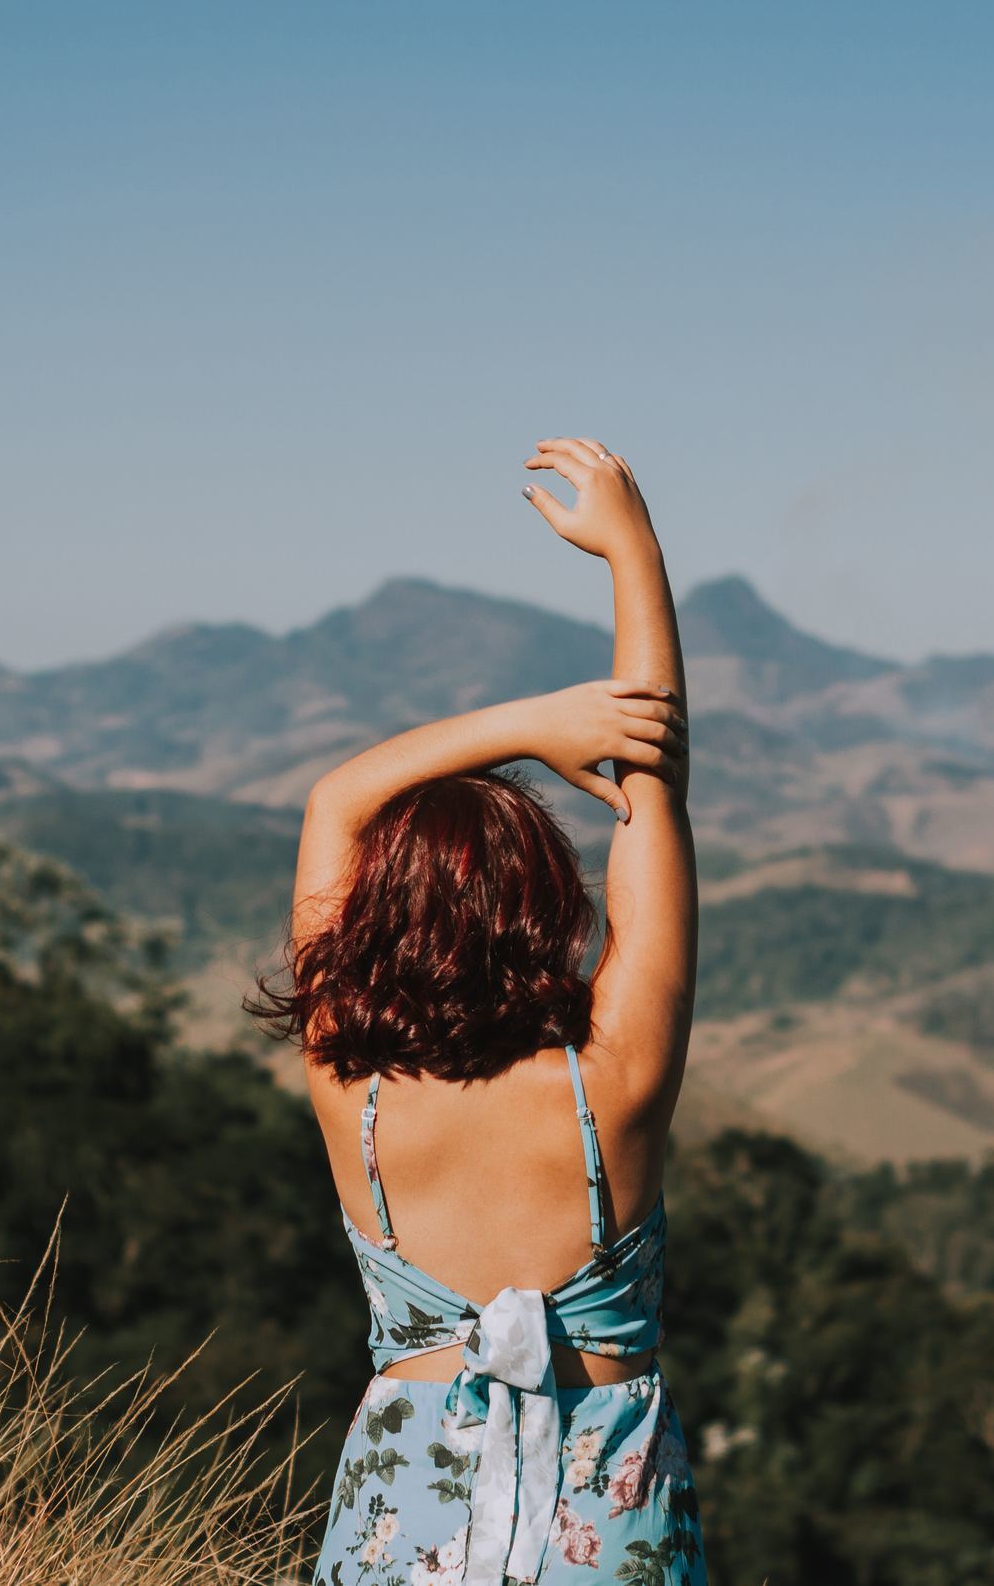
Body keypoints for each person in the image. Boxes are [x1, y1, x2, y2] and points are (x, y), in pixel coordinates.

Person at [249, 438, 705, 1585]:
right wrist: (633, 552)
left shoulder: (342, 1070)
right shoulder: (616, 1070)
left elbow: (334, 797)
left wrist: (527, 721)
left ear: (371, 916)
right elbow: (655, 776)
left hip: (405, 1515)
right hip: (606, 1524)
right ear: (548, 903)